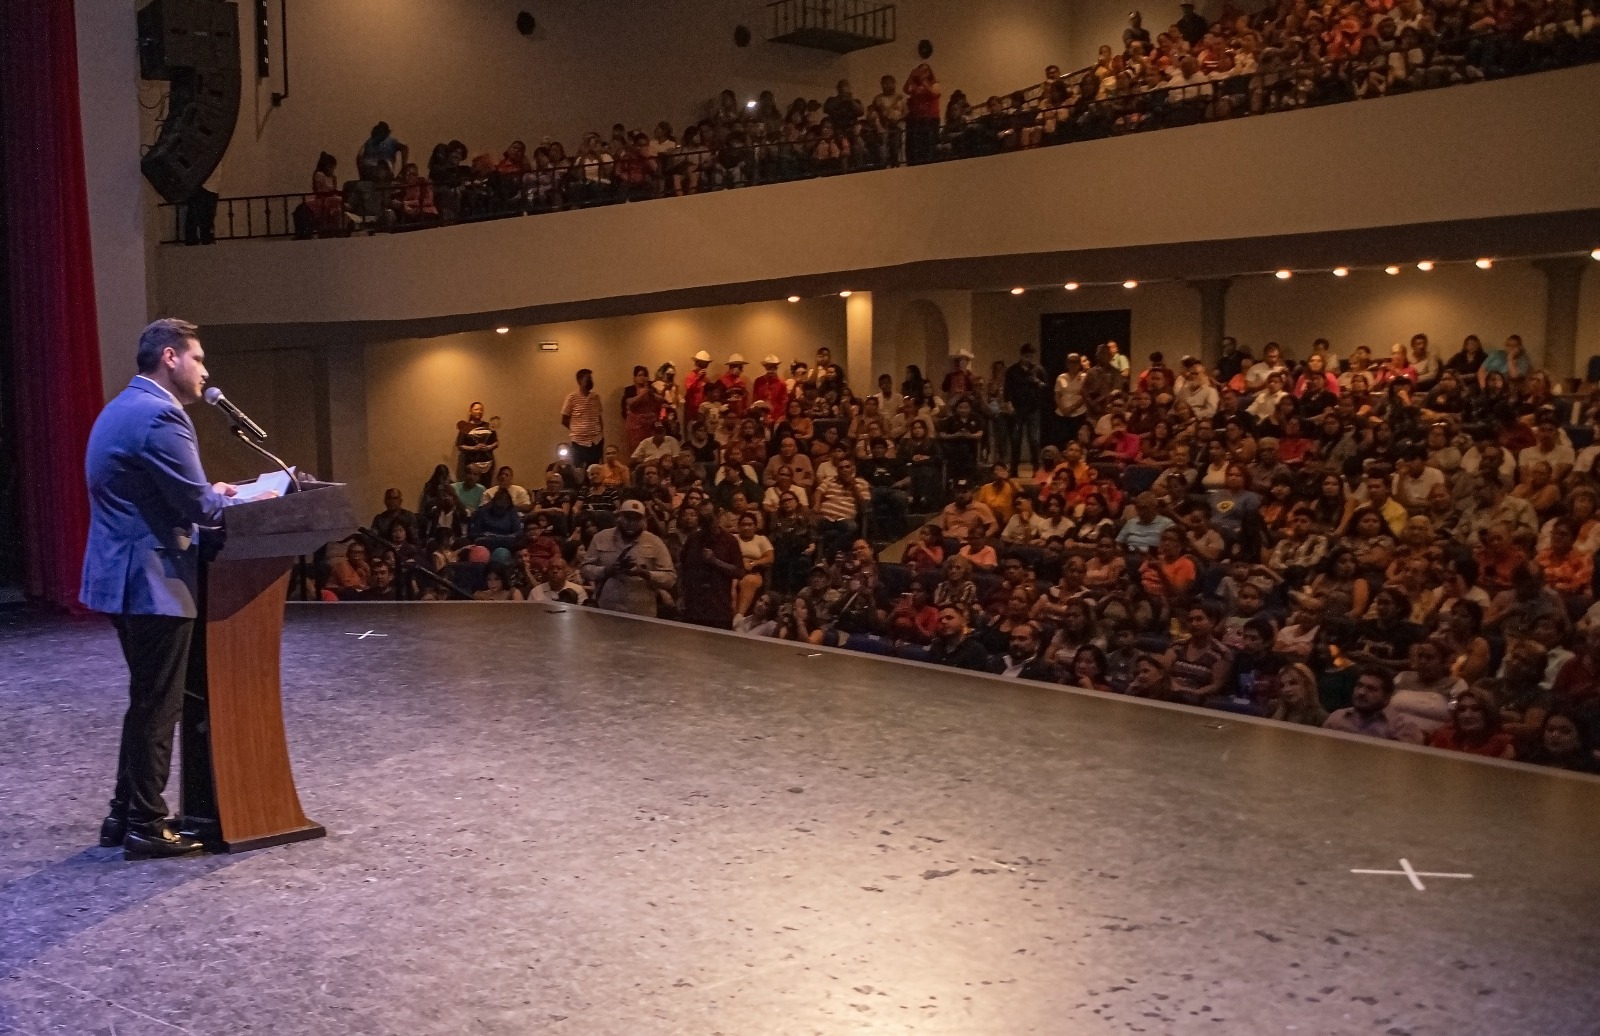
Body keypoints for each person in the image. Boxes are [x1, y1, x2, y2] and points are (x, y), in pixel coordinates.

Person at [82, 319, 263, 858]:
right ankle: (146, 823)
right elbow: (201, 508)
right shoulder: (162, 414)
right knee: (160, 705)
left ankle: (122, 814)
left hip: (124, 577)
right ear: (170, 357)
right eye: (199, 359)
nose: (205, 370)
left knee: (147, 700)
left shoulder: (120, 408)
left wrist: (211, 491)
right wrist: (242, 498)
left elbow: (167, 494)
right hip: (153, 581)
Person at [580, 499, 676, 615]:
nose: (631, 522)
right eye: (627, 517)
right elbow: (585, 569)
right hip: (606, 608)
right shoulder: (601, 538)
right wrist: (607, 570)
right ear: (619, 517)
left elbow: (670, 578)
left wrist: (644, 573)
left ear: (644, 520)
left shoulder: (655, 542)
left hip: (641, 611)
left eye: (637, 518)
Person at [927, 604, 995, 672]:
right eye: (940, 620)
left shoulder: (975, 650)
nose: (943, 621)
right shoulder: (936, 646)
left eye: (949, 618)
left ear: (964, 621)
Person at [561, 368, 605, 473]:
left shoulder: (595, 397)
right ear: (580, 381)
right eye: (588, 378)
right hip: (579, 441)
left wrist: (601, 433)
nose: (590, 381)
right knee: (580, 468)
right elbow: (564, 419)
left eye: (591, 379)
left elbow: (599, 416)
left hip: (596, 440)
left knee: (595, 468)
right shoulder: (572, 398)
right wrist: (577, 429)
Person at [455, 401, 498, 480]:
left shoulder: (488, 426)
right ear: (470, 411)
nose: (479, 411)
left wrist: (488, 447)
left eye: (481, 409)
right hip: (471, 465)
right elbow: (460, 445)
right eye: (476, 409)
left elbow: (496, 442)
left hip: (487, 465)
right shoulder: (465, 427)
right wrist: (474, 448)